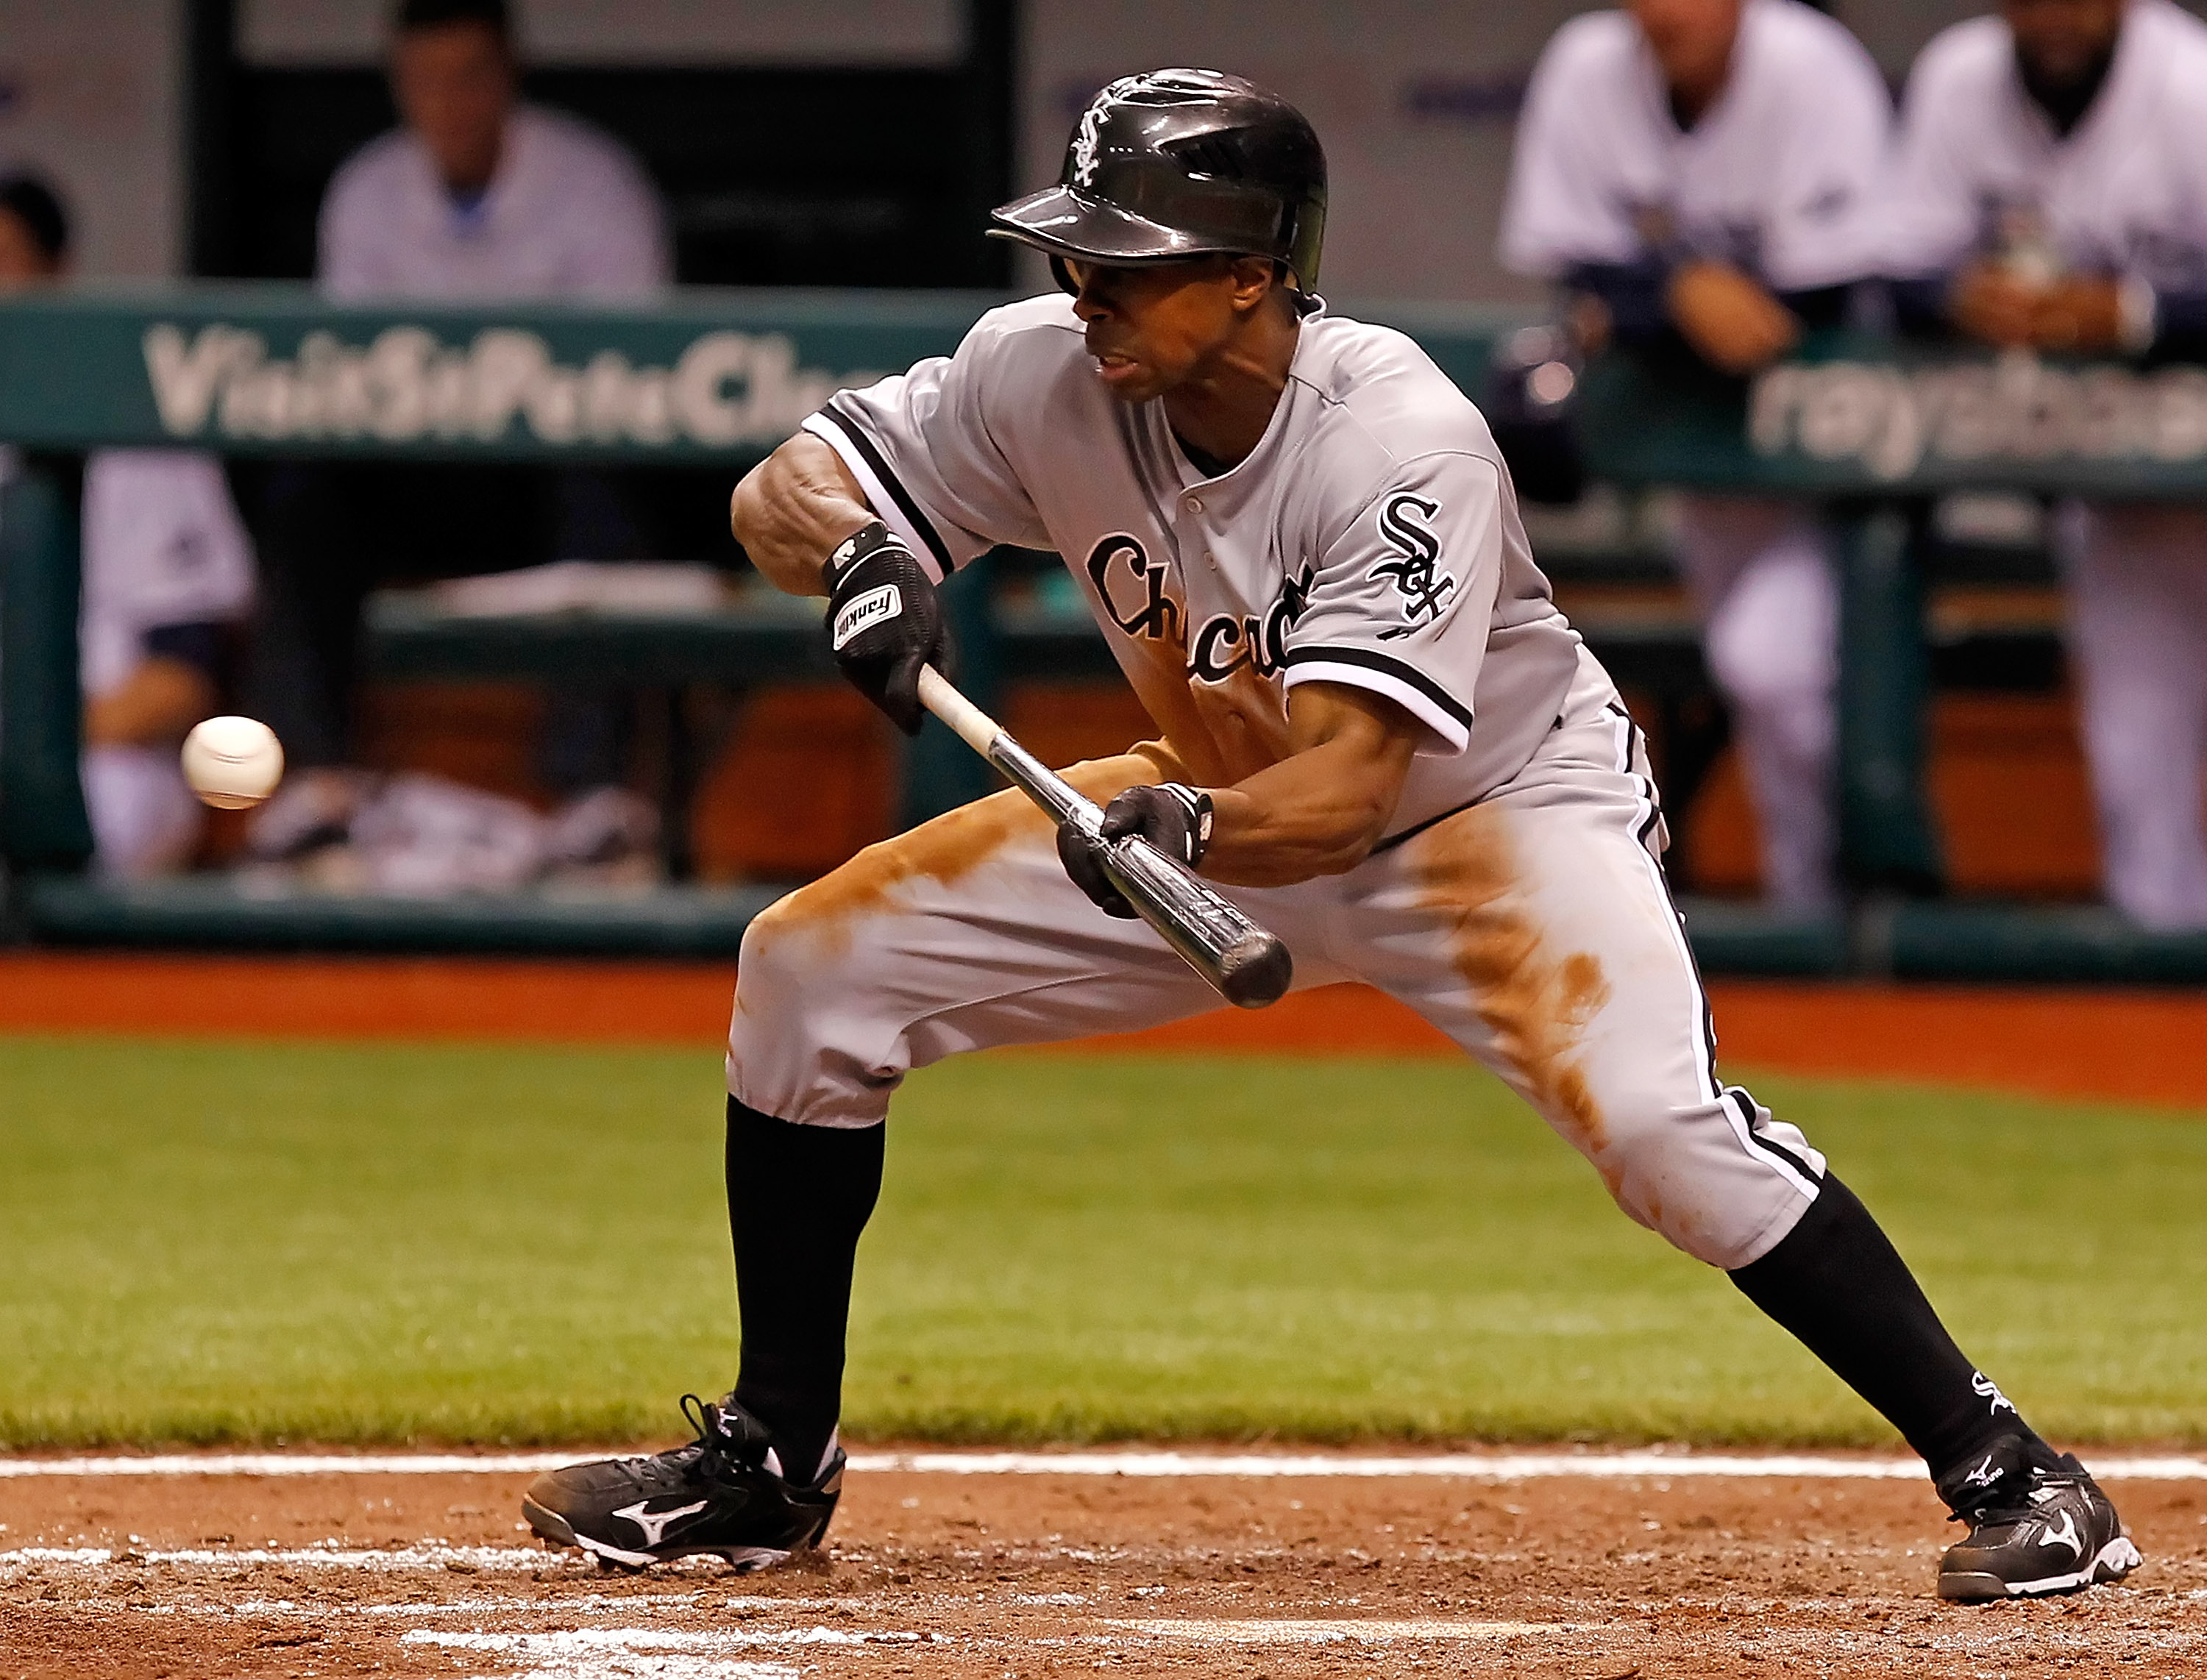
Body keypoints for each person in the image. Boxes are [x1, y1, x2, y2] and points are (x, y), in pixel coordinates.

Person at [522, 69, 2139, 1604]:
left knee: (1659, 1129)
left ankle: (2019, 1473)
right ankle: (771, 1461)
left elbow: (1349, 791)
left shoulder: (1396, 437)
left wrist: (1184, 821)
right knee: (808, 973)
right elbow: (777, 486)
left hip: (1489, 815)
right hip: (1206, 793)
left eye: (1130, 263)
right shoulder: (1045, 368)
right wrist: (860, 549)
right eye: (1078, 253)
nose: (1086, 290)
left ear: (1253, 278)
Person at [246, 0, 669, 860]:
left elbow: (639, 378)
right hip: (420, 483)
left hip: (552, 480)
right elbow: (349, 377)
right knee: (305, 493)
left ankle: (595, 793)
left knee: (609, 489)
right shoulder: (369, 187)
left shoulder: (591, 179)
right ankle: (316, 778)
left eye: (468, 77)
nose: (449, 102)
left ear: (507, 75)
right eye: (425, 80)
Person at [1499, 0, 1894, 914]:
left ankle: (1834, 906)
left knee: (1776, 667)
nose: (1668, 13)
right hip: (1704, 468)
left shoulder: (1809, 65)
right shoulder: (1590, 66)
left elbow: (1823, 292)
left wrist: (1648, 297)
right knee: (1766, 676)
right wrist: (1681, 290)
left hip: (1834, 463)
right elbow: (1573, 263)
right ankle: (1818, 906)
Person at [1886, 0, 2207, 930]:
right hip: (2119, 493)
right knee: (2135, 757)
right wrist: (1956, 294)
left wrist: (2134, 315)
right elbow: (1891, 261)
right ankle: (2161, 1039)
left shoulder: (2188, 81)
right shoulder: (1961, 78)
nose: (2054, 15)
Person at [0, 173, 255, 879]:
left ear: (55, 276)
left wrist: (35, 744)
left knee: (109, 821)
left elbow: (185, 676)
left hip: (105, 757)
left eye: (4, 262)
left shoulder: (137, 435)